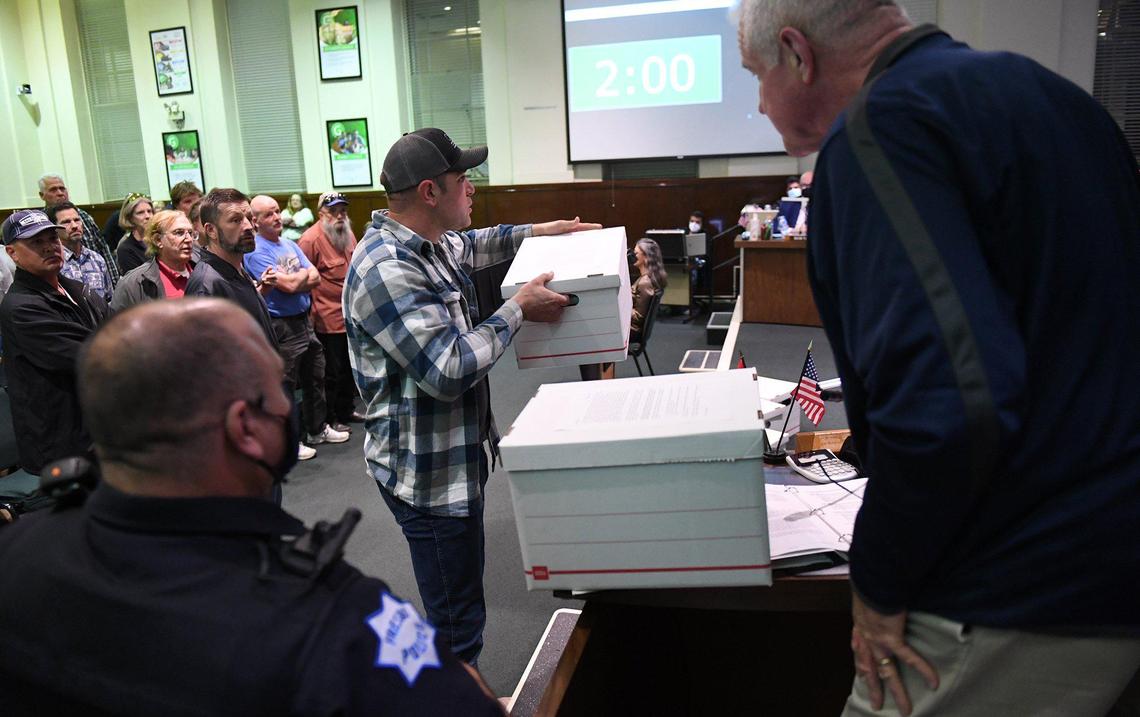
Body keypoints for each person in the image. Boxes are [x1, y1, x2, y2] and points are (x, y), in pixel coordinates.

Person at [737, 2, 1140, 715]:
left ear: (798, 54)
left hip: (1017, 585)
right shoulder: (1061, 100)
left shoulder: (878, 132)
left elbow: (947, 405)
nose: (760, 104)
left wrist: (881, 581)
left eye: (756, 77)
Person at [0, 298, 506, 716]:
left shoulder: (16, 553)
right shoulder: (332, 622)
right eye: (279, 392)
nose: (289, 407)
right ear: (245, 428)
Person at [345, 127, 599, 664]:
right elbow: (448, 368)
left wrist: (542, 231)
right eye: (464, 179)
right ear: (430, 193)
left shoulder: (428, 242)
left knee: (460, 611)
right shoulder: (386, 268)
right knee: (458, 629)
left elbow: (480, 241)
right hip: (428, 478)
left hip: (451, 462)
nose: (473, 189)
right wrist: (517, 309)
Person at [0, 209, 109, 474]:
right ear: (12, 253)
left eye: (52, 239)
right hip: (61, 442)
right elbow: (90, 356)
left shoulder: (78, 289)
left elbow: (118, 331)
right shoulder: (20, 307)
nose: (49, 247)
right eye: (37, 242)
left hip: (96, 429)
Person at [245, 194, 347, 455]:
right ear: (254, 222)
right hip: (281, 325)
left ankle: (316, 429)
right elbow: (291, 284)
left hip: (304, 320)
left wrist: (296, 278)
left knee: (315, 376)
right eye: (268, 214)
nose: (277, 217)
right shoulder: (255, 251)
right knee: (286, 385)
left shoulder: (289, 244)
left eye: (277, 211)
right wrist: (300, 278)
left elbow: (314, 276)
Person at [299, 191, 363, 429]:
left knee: (349, 369)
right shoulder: (309, 240)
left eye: (342, 211)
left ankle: (347, 410)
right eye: (333, 211)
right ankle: (331, 418)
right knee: (331, 374)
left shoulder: (347, 233)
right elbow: (304, 279)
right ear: (321, 214)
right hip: (327, 318)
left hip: (351, 316)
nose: (339, 216)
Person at [580, 238, 667, 381]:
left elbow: (638, 316)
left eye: (636, 253)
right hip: (632, 329)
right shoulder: (647, 279)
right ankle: (602, 378)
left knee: (591, 340)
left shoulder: (645, 283)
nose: (633, 255)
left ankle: (597, 381)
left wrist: (620, 307)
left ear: (646, 256)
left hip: (632, 332)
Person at [37, 173, 120, 283]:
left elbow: (103, 248)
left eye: (62, 189)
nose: (60, 193)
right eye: (53, 190)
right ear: (42, 195)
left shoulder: (83, 216)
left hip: (92, 272)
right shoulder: (40, 221)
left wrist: (115, 281)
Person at [110, 210, 196, 311]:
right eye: (179, 233)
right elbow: (118, 324)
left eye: (190, 233)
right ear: (158, 240)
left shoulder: (204, 271)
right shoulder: (133, 284)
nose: (189, 239)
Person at [48, 201, 114, 303]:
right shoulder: (53, 262)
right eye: (66, 222)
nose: (74, 225)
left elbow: (109, 299)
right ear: (54, 229)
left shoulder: (97, 259)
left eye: (77, 220)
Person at [115, 193, 154, 274]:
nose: (147, 216)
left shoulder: (160, 239)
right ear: (130, 218)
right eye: (140, 213)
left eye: (149, 211)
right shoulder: (125, 248)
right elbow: (136, 281)